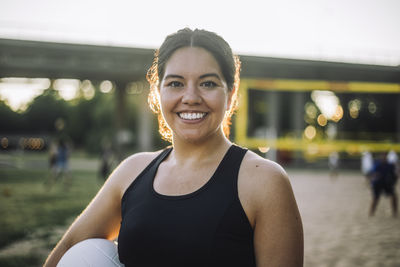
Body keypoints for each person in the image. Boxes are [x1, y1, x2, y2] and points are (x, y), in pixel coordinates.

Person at [44, 28, 303, 267]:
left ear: (231, 94)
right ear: (158, 93)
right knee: (85, 254)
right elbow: (68, 248)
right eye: (176, 83)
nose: (190, 97)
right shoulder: (133, 171)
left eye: (208, 83)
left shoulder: (264, 180)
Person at [368, 152, 398, 217]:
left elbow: (395, 175)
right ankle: (371, 213)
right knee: (376, 198)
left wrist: (394, 181)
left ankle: (395, 213)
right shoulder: (377, 164)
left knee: (394, 196)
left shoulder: (390, 165)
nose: (384, 156)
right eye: (382, 155)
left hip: (387, 183)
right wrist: (372, 182)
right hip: (378, 183)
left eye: (385, 155)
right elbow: (372, 174)